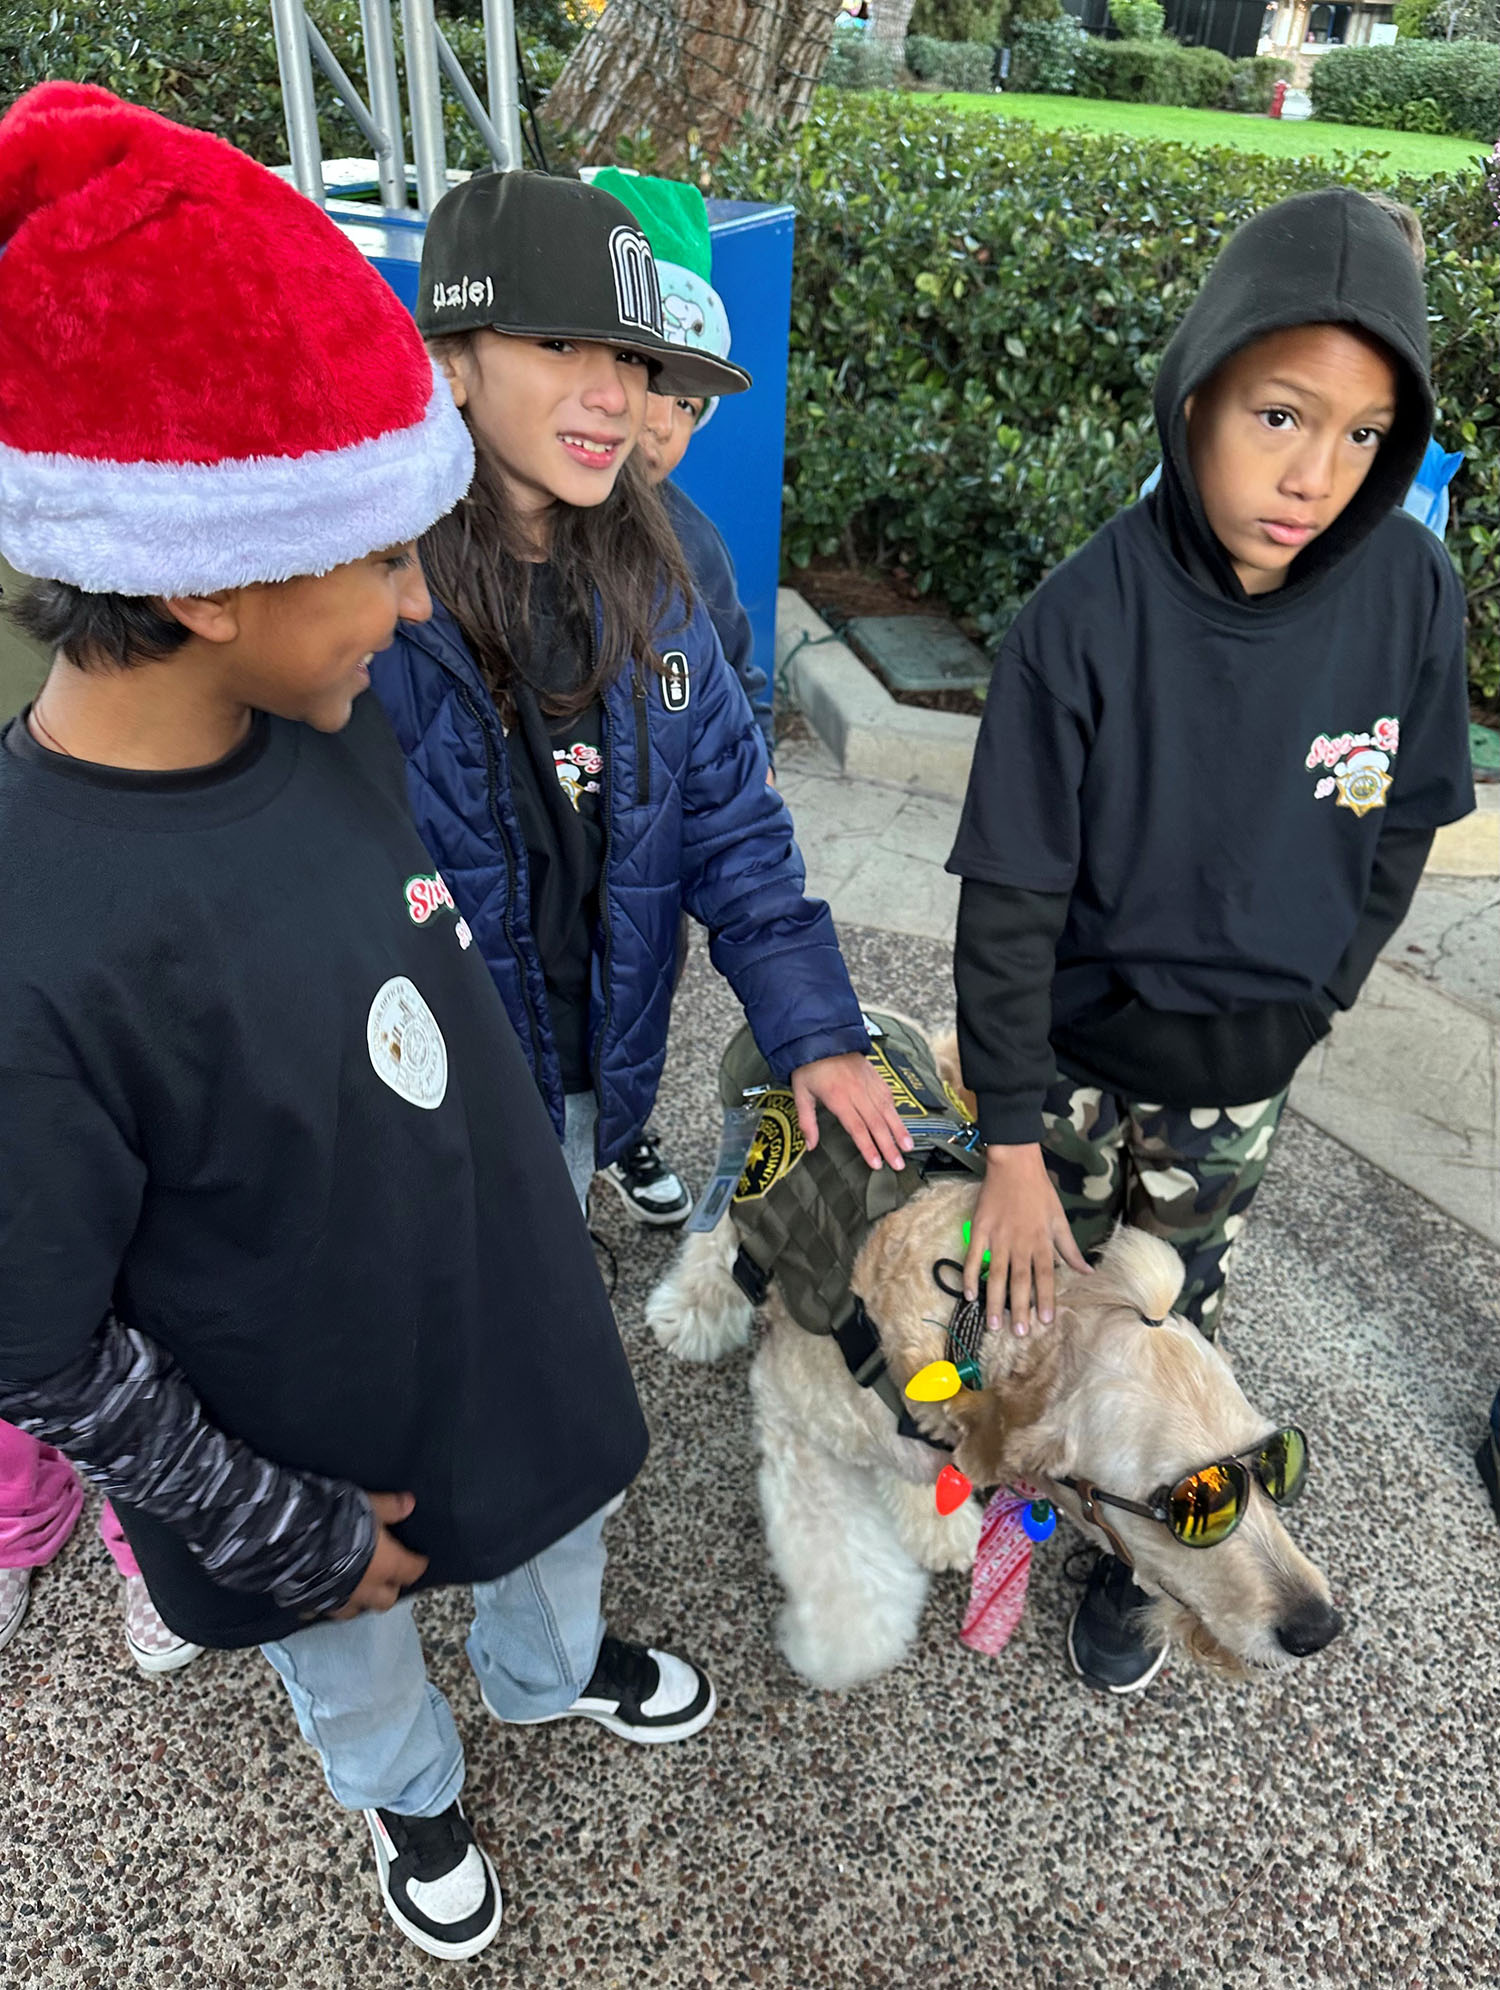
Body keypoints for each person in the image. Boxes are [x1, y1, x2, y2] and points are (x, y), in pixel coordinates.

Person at [0, 85, 714, 1965]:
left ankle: (556, 1670)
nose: (416, 604)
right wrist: (276, 1526)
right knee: (355, 1640)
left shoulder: (322, 719)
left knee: (556, 1516)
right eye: (384, 556)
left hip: (491, 1305)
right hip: (296, 1442)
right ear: (205, 575)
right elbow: (39, 1340)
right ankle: (411, 1796)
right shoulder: (30, 926)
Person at [948, 188, 1473, 1696]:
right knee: (1030, 1309)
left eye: (1365, 435)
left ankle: (1142, 1566)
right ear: (1195, 399)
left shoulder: (1410, 593)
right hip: (1066, 1053)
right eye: (1280, 415)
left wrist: (1322, 992)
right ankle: (1017, 1489)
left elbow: (1403, 822)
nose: (1315, 473)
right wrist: (1010, 1139)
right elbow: (1009, 897)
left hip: (1240, 1069)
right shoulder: (1082, 618)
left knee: (1178, 1326)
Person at [370, 170, 912, 1250]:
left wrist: (815, 1028)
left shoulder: (662, 586)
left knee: (540, 1281)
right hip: (407, 1092)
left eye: (630, 357)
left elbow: (733, 826)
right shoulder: (369, 593)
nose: (617, 395)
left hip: (586, 1071)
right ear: (451, 361)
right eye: (559, 344)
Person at [586, 168, 773, 1226]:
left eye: (690, 403)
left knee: (632, 1000)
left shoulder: (692, 548)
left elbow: (738, 683)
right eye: (647, 376)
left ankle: (620, 1126)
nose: (662, 423)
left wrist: (745, 773)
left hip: (643, 858)